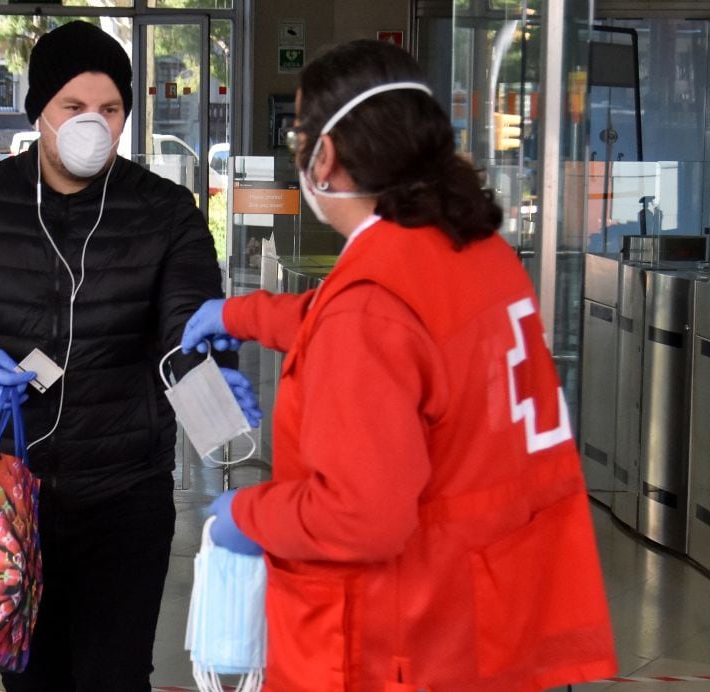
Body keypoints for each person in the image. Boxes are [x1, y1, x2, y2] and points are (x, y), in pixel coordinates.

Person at [181, 40, 617, 691]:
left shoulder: (373, 304)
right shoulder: (473, 252)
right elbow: (370, 331)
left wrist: (248, 514)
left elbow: (360, 516)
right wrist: (238, 316)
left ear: (324, 156)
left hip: (395, 644)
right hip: (485, 617)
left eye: (300, 132)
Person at [0, 21, 255, 691]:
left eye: (110, 109)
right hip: (5, 500)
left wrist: (211, 376)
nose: (94, 124)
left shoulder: (165, 211)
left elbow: (185, 322)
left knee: (115, 678)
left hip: (125, 497)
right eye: (73, 107)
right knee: (31, 680)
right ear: (39, 113)